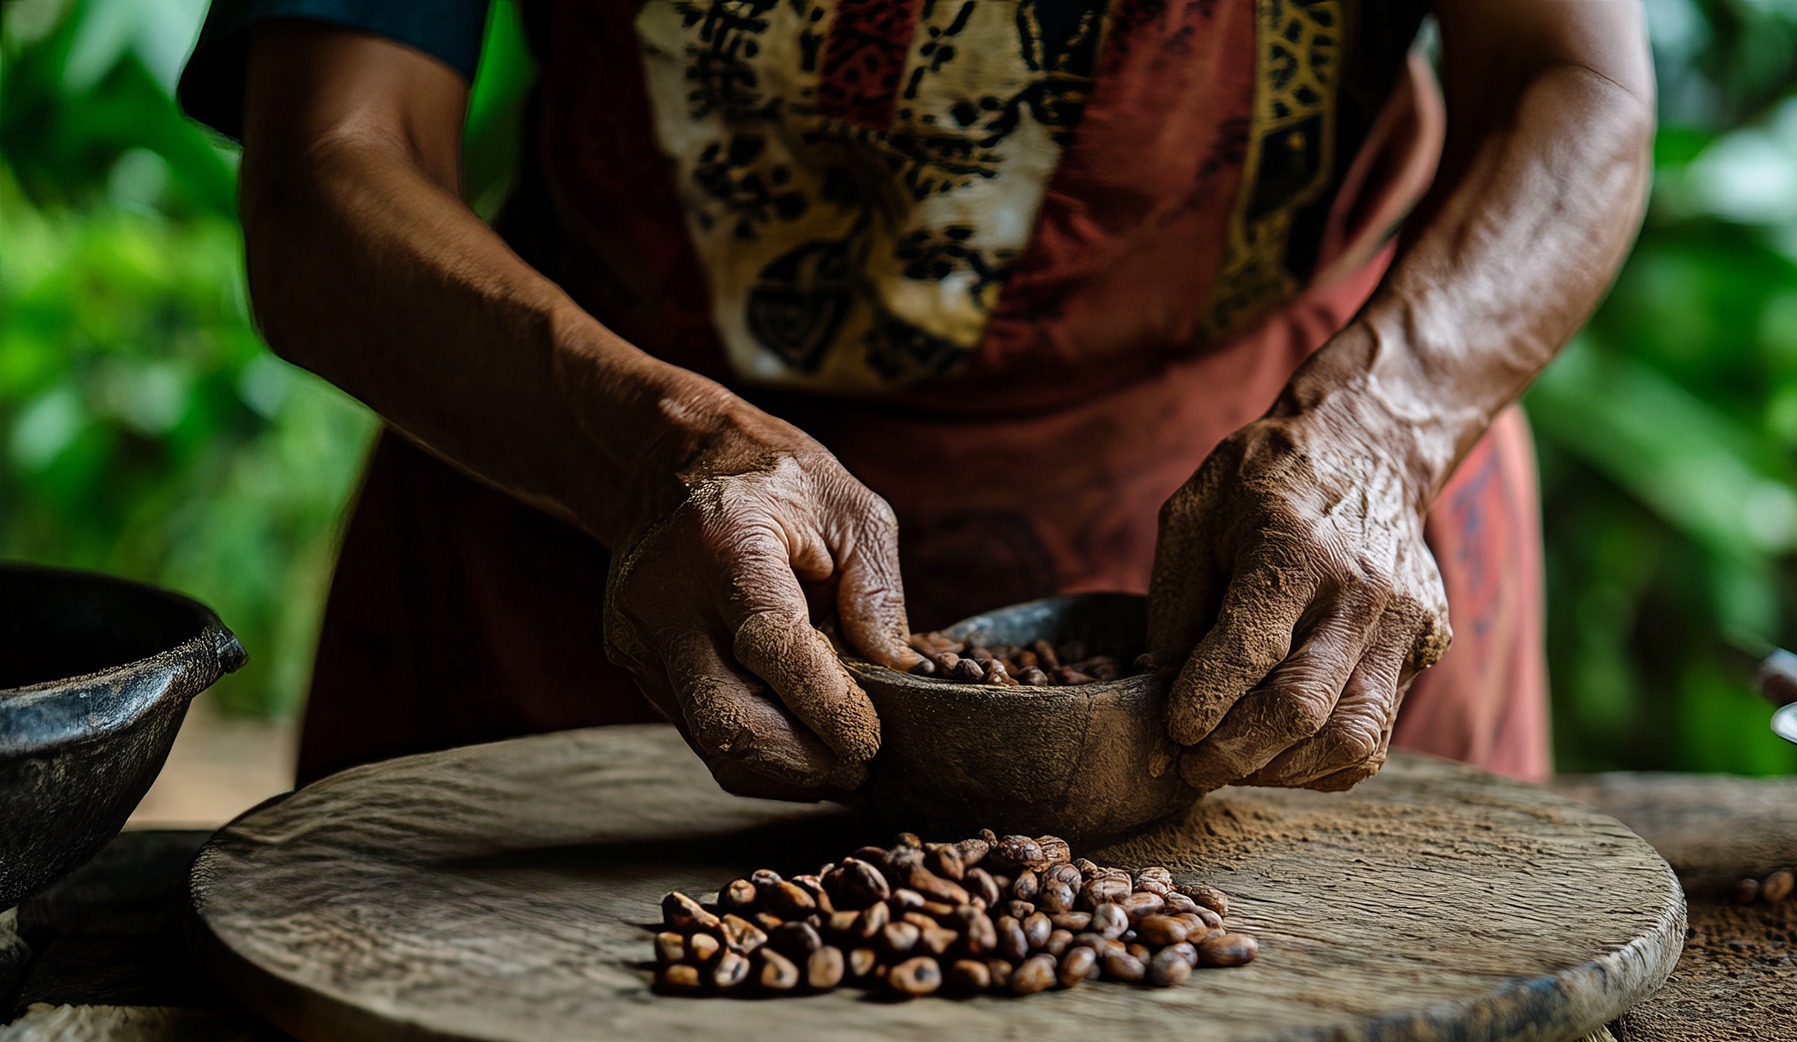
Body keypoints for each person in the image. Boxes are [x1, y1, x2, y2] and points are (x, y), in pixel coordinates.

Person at [179, 0, 1652, 798]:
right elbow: (330, 169)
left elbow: (1573, 82)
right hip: (612, 522)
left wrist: (1384, 429)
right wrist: (649, 454)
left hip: (1284, 544)